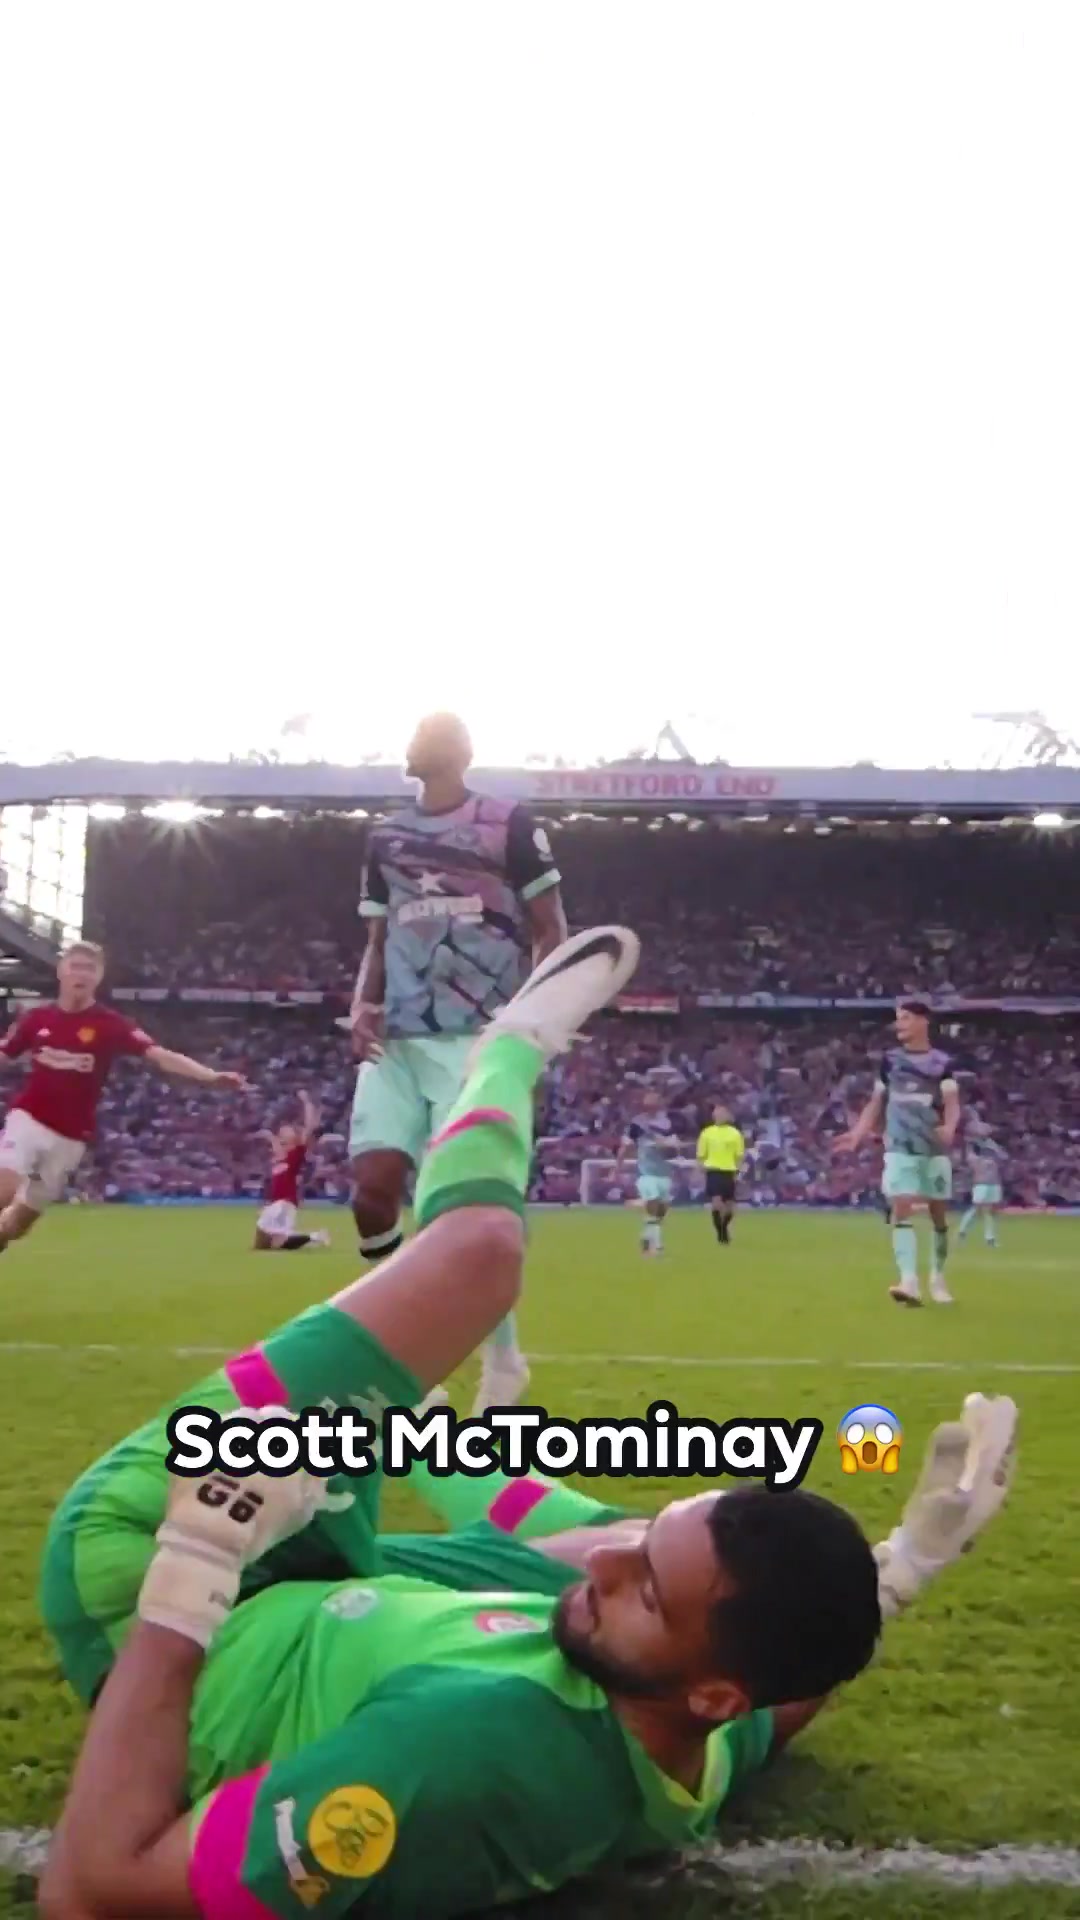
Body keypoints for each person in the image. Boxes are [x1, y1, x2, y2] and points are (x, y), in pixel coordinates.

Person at [39, 924, 1017, 1920]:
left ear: (710, 1695)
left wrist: (193, 1567)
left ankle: (504, 1051)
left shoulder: (463, 1754)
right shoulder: (687, 1731)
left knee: (478, 1255)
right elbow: (771, 1710)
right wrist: (902, 1571)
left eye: (646, 1591)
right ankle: (431, 1424)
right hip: (327, 1576)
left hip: (161, 1572)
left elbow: (94, 1894)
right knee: (616, 1537)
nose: (615, 1568)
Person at [347, 711, 567, 1412]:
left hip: (476, 1038)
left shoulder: (508, 824)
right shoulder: (384, 836)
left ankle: (503, 1363)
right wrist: (362, 1004)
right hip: (397, 1038)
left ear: (460, 752)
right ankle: (410, 1357)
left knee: (464, 1210)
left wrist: (528, 1022)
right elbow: (378, 939)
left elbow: (551, 929)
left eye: (430, 733)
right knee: (371, 1192)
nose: (413, 741)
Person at [0, 941, 248, 1257]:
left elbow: (159, 1055)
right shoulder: (36, 1019)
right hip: (29, 1119)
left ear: (99, 976)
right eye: (75, 966)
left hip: (71, 1137)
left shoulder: (109, 1024)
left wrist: (209, 1076)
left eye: (89, 968)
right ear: (62, 971)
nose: (81, 974)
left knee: (17, 1225)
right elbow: (4, 1054)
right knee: (5, 1188)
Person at [834, 999, 960, 1307]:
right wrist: (858, 1132)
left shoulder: (942, 1063)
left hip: (932, 1149)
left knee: (938, 1216)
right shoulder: (890, 1061)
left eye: (905, 1018)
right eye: (898, 1019)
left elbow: (952, 1103)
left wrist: (949, 1127)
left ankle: (937, 1277)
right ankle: (909, 1281)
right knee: (901, 1207)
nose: (899, 1024)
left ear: (923, 1021)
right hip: (900, 1147)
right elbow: (877, 1102)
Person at [253, 1092, 330, 1253]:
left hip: (285, 1203)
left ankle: (315, 1236)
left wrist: (307, 1102)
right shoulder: (279, 1157)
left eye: (286, 1131)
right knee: (269, 1243)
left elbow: (309, 1127)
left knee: (265, 1241)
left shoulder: (295, 1154)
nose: (283, 1133)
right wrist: (269, 1137)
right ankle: (316, 1236)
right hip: (276, 1204)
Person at [617, 1088, 679, 1257]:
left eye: (655, 1101)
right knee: (653, 1207)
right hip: (647, 1173)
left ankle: (645, 1239)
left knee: (660, 1214)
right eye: (649, 1101)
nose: (652, 1104)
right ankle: (657, 1247)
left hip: (665, 1173)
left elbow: (674, 1150)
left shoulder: (667, 1123)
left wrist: (667, 1146)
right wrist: (617, 1168)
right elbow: (625, 1146)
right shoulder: (637, 1124)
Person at [696, 1103, 746, 1246]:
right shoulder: (707, 1133)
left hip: (729, 1171)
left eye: (722, 1113)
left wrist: (738, 1173)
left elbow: (739, 1155)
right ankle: (721, 1233)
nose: (719, 1116)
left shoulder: (735, 1134)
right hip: (713, 1170)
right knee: (717, 1202)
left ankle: (724, 1226)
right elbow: (701, 1154)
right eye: (717, 1113)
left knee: (729, 1205)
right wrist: (700, 1168)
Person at [958, 1122, 1006, 1249]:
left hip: (994, 1182)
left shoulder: (992, 1145)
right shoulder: (972, 1148)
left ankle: (990, 1238)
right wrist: (985, 1160)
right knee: (977, 1208)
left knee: (992, 1210)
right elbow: (973, 1163)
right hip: (981, 1183)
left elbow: (1003, 1157)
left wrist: (994, 1153)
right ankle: (962, 1231)